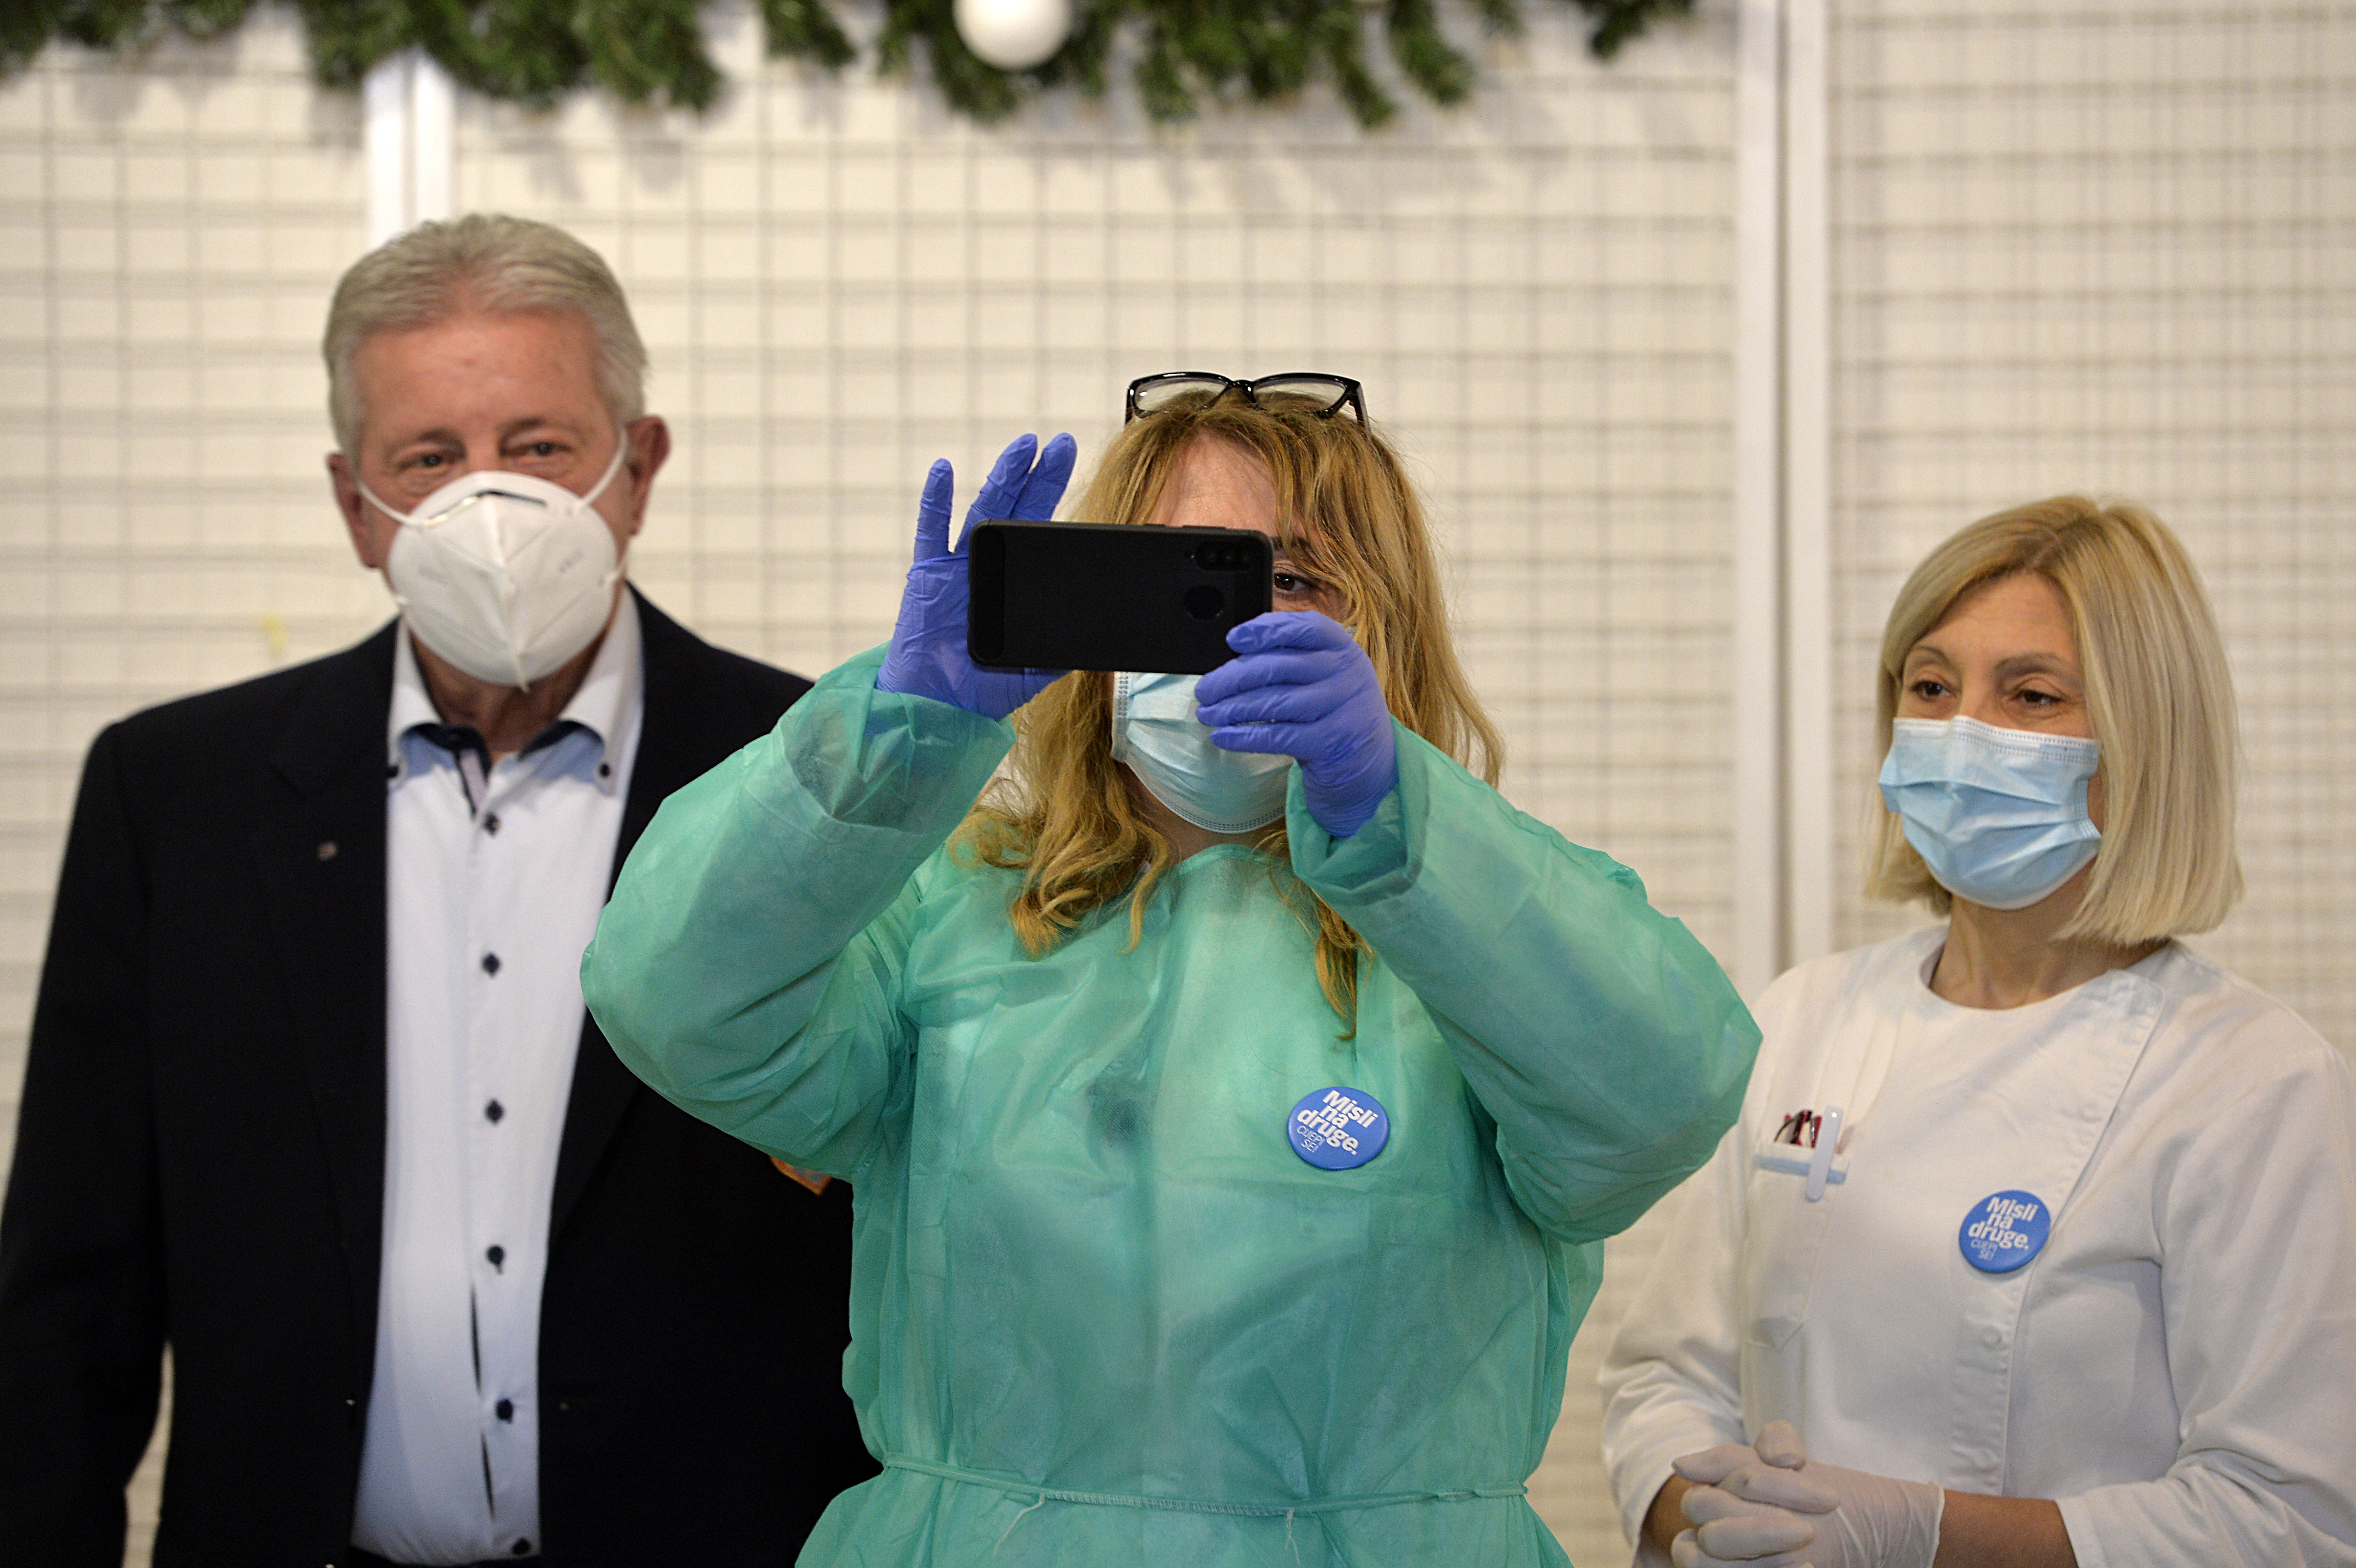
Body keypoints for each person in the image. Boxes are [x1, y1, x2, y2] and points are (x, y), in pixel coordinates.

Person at [580, 371, 1762, 1567]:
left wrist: (1397, 813)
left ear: (1383, 626)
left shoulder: (1480, 932)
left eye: (1292, 580)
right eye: (1177, 578)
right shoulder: (945, 915)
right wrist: (897, 731)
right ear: (1087, 608)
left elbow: (1661, 1099)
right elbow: (672, 997)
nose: (1228, 633)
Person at [0, 214, 874, 1567]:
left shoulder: (820, 776)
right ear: (357, 507)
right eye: (430, 458)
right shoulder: (176, 795)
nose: (489, 503)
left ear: (638, 470)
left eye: (539, 446)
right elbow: (74, 1281)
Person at [1599, 497, 2356, 1568]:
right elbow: (1663, 1377)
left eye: (2031, 695)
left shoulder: (2253, 1082)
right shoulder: (1803, 1017)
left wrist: (1917, 1533)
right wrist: (1713, 1514)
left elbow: (2288, 1517)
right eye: (1931, 687)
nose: (1961, 735)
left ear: (2146, 738)